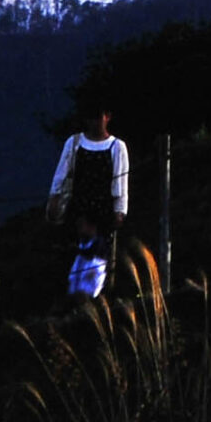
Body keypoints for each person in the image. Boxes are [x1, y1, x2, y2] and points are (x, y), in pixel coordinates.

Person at [47, 110, 129, 299]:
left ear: (107, 117)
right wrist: (54, 197)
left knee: (98, 262)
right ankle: (71, 299)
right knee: (71, 258)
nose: (94, 122)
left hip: (102, 213)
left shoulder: (117, 147)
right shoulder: (74, 143)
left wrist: (120, 210)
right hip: (77, 210)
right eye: (91, 117)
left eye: (98, 117)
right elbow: (61, 173)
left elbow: (120, 182)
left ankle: (94, 300)